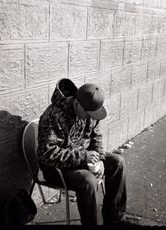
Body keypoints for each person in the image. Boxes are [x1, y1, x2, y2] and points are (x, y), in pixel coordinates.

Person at [37, 78, 136, 226]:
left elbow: (96, 137)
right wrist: (83, 156)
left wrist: (101, 159)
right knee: (88, 180)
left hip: (81, 158)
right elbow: (46, 153)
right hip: (56, 168)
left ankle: (115, 218)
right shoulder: (53, 115)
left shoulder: (88, 109)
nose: (90, 118)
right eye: (88, 114)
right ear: (76, 103)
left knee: (118, 162)